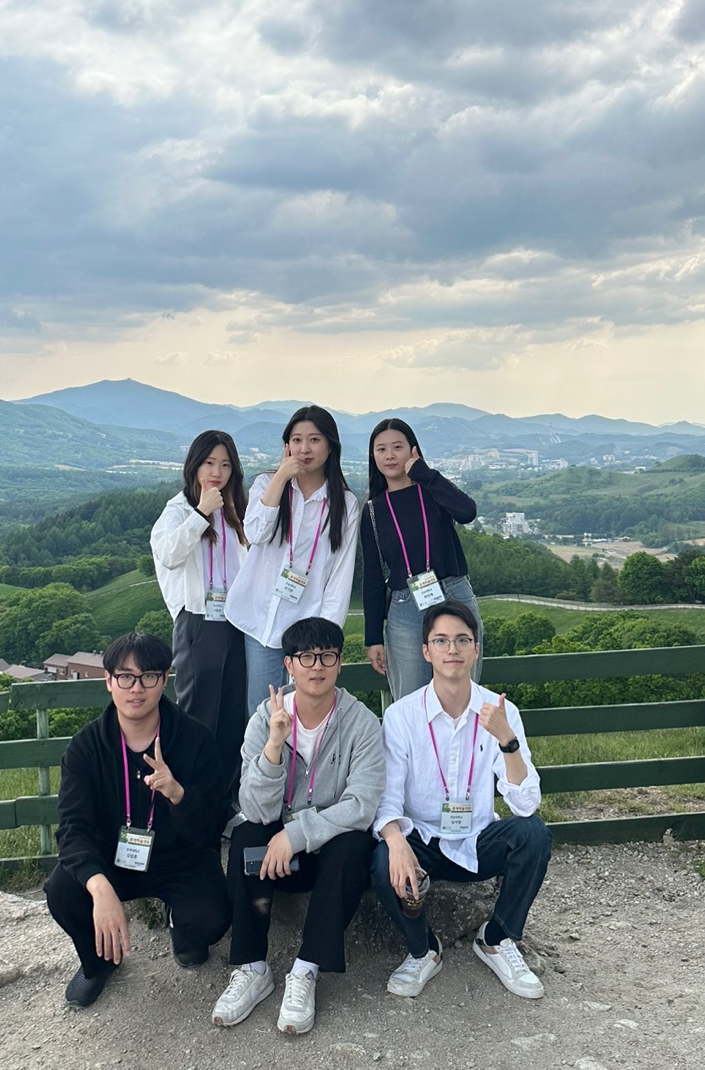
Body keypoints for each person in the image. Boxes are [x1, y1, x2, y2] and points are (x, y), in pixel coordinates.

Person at [212, 616, 385, 1035]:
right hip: (277, 859)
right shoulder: (264, 719)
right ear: (288, 664)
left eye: (327, 656)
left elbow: (362, 805)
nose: (317, 666)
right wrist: (274, 746)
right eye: (306, 657)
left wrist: (296, 834)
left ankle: (306, 969)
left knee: (354, 845)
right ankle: (252, 968)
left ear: (340, 662)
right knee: (246, 835)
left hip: (327, 855)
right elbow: (254, 809)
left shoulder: (361, 722)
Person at [371, 601, 552, 1000]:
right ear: (426, 651)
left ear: (475, 649)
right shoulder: (402, 716)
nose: (451, 649)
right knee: (383, 858)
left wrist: (506, 739)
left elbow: (525, 806)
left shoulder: (501, 712)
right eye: (441, 641)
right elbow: (387, 799)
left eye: (462, 640)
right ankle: (423, 949)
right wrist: (396, 841)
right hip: (424, 842)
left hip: (477, 839)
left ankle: (496, 938)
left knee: (534, 834)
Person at [44, 632, 230, 1009]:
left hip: (180, 856)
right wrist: (99, 887)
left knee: (212, 917)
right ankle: (99, 962)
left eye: (148, 676)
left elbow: (212, 825)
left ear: (165, 679)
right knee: (63, 891)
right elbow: (73, 829)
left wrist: (179, 795)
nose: (136, 688)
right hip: (111, 857)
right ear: (108, 681)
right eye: (125, 677)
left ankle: (180, 925)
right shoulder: (85, 748)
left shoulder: (194, 739)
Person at [226, 405, 359, 715]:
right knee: (262, 712)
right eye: (296, 440)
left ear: (330, 446)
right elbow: (255, 533)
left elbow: (340, 575)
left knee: (307, 711)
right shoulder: (266, 485)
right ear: (286, 445)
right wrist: (281, 477)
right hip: (261, 619)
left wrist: (324, 635)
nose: (304, 449)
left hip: (308, 624)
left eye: (314, 440)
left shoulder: (344, 504)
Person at [151, 430, 248, 802]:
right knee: (198, 717)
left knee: (233, 718)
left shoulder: (235, 510)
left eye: (225, 465)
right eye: (209, 463)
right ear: (194, 465)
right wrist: (200, 513)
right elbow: (168, 555)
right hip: (198, 622)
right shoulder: (178, 510)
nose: (216, 472)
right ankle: (188, 801)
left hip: (236, 622)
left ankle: (224, 804)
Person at [362, 417, 485, 702]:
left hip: (454, 594)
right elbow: (372, 577)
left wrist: (425, 474)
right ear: (373, 456)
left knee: (463, 696)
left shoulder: (433, 491)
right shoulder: (373, 511)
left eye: (397, 447)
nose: (390, 455)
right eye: (381, 449)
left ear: (413, 450)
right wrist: (373, 637)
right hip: (405, 607)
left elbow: (467, 512)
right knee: (410, 702)